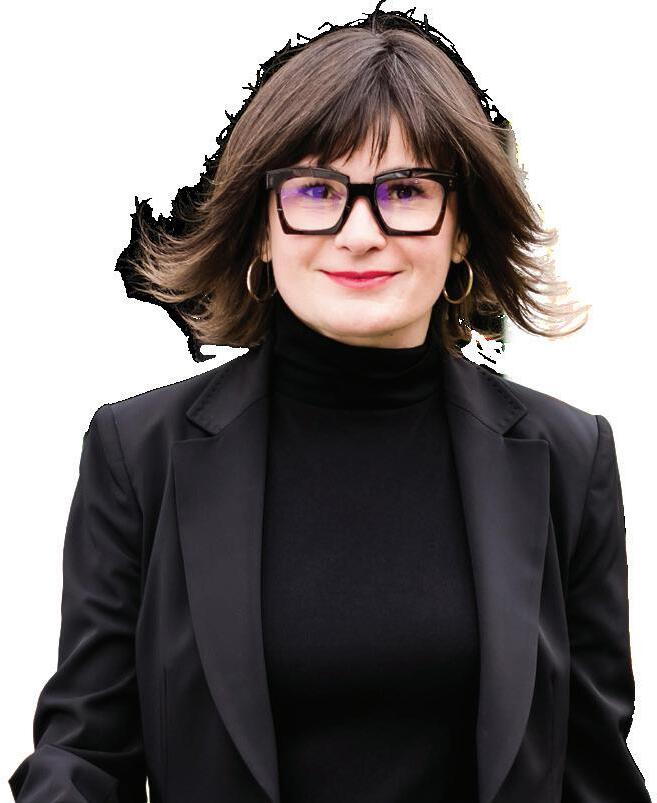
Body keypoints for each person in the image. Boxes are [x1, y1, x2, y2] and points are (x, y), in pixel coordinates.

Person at [8, 4, 652, 803]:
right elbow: (84, 753)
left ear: (460, 229)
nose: (359, 232)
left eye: (405, 190)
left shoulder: (568, 458)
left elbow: (594, 773)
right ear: (260, 227)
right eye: (316, 189)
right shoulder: (137, 452)